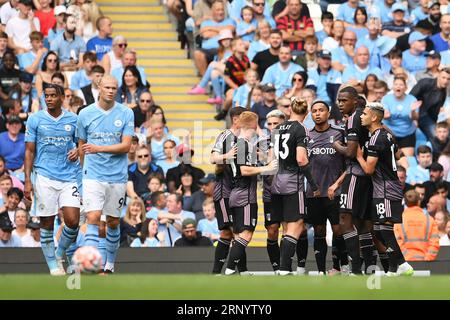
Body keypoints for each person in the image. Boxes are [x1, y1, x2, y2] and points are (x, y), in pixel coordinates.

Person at [77, 75, 134, 273]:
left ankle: (110, 265)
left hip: (117, 176)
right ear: (99, 87)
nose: (111, 91)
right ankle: (94, 267)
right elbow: (81, 145)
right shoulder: (85, 114)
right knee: (92, 217)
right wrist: (82, 173)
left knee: (112, 221)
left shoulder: (126, 113)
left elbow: (126, 146)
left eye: (114, 88)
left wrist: (99, 148)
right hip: (92, 174)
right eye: (107, 87)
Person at [24, 83, 80, 276]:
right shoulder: (35, 119)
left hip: (69, 176)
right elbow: (29, 151)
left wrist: (78, 150)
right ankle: (53, 267)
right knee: (46, 223)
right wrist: (28, 181)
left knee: (73, 221)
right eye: (46, 96)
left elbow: (82, 144)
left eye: (52, 96)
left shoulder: (73, 119)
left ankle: (60, 253)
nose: (48, 99)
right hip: (44, 176)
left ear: (62, 97)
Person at [356, 102, 414, 276]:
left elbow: (368, 169)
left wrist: (359, 156)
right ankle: (393, 270)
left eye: (364, 114)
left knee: (384, 229)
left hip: (386, 187)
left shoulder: (376, 139)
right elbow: (396, 154)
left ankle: (403, 264)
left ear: (374, 117)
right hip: (385, 186)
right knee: (380, 230)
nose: (361, 116)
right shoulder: (386, 135)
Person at [224, 111, 277, 275]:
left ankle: (240, 271)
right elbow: (244, 170)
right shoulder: (242, 144)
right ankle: (230, 270)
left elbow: (261, 158)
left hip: (237, 193)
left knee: (240, 234)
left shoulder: (244, 145)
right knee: (246, 234)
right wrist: (266, 168)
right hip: (244, 195)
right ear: (254, 125)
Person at [270, 98, 318, 275]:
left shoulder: (276, 129)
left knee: (285, 227)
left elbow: (270, 159)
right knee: (297, 225)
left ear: (289, 109)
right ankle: (284, 269)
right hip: (293, 182)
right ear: (307, 113)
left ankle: (285, 269)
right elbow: (301, 159)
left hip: (276, 182)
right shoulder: (301, 128)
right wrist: (313, 184)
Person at [332, 86, 373, 274]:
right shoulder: (362, 116)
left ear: (354, 101)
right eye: (339, 100)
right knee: (362, 222)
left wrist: (336, 145)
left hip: (356, 174)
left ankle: (355, 267)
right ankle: (369, 268)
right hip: (366, 175)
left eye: (344, 100)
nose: (340, 104)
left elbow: (349, 151)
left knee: (344, 219)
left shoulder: (354, 119)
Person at [307, 100, 349, 275]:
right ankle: (321, 271)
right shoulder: (306, 136)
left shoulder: (340, 133)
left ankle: (341, 266)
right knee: (319, 230)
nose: (317, 113)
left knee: (339, 229)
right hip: (314, 193)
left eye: (321, 110)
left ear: (328, 113)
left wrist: (337, 184)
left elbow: (350, 165)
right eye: (314, 111)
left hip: (335, 191)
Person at [209, 107, 244, 274]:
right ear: (235, 120)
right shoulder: (225, 136)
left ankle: (217, 273)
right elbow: (212, 158)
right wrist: (227, 155)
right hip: (224, 190)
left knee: (229, 233)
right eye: (244, 118)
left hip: (238, 191)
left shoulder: (246, 138)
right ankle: (241, 271)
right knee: (233, 232)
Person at [394, 190, 440, 261]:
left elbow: (397, 243)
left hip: (406, 263)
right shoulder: (430, 220)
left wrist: (407, 258)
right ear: (419, 201)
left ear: (405, 202)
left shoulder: (397, 221)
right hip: (425, 263)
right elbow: (434, 243)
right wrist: (427, 258)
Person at [382, 77, 420, 157]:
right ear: (393, 87)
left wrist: (412, 111)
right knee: (389, 159)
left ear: (405, 88)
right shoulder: (386, 99)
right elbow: (385, 115)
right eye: (396, 84)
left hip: (407, 133)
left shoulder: (412, 99)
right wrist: (385, 115)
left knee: (407, 160)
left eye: (401, 85)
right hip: (389, 133)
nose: (398, 86)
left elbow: (416, 118)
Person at [410, 68, 450, 143]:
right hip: (415, 114)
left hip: (428, 118)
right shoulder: (425, 82)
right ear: (438, 76)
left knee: (441, 135)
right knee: (436, 136)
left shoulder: (443, 92)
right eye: (443, 77)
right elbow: (410, 97)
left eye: (448, 79)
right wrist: (413, 116)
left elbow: (435, 112)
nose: (445, 81)